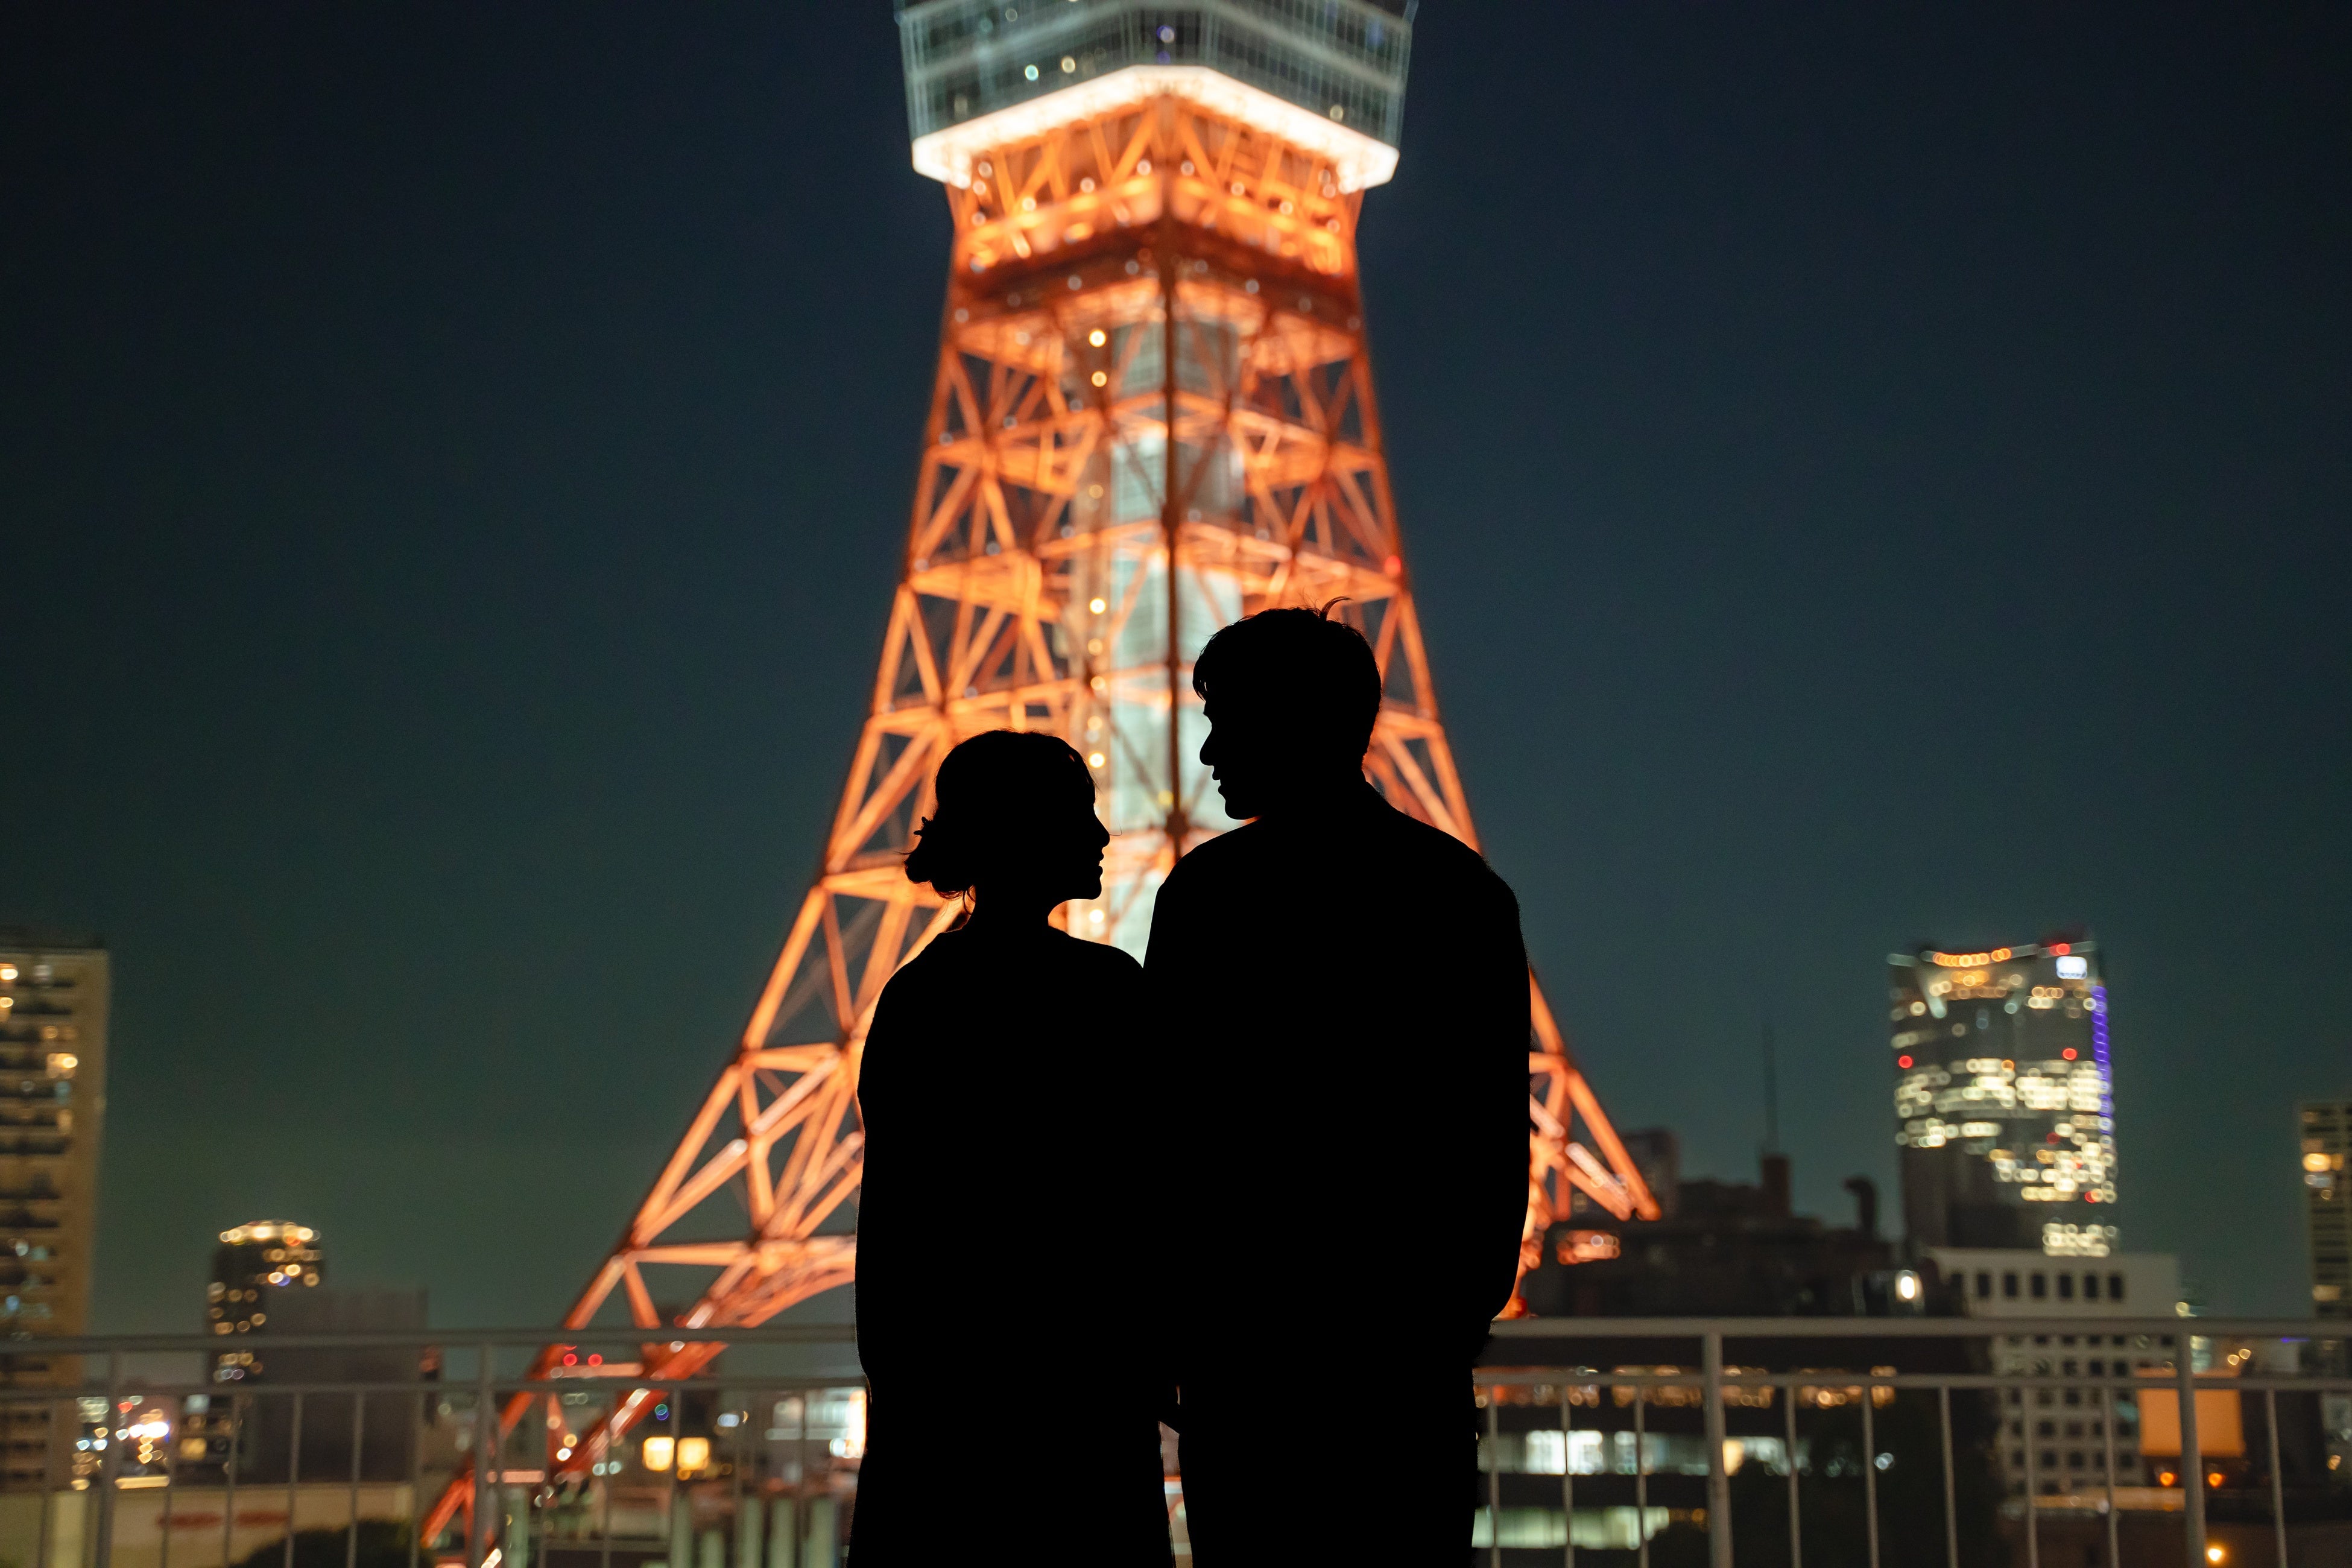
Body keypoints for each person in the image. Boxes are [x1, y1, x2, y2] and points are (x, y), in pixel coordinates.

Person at [1145, 605, 1531, 1564]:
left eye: (1226, 724)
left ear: (1293, 724)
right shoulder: (1461, 893)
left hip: (1247, 1361)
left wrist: (1173, 1325)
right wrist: (1451, 1320)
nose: (1208, 754)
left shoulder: (1208, 898)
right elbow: (1490, 1135)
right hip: (1404, 1367)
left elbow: (1165, 1128)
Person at [850, 730, 1172, 1566]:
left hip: (947, 1405)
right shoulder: (1108, 992)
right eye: (1079, 817)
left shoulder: (917, 998)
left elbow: (897, 1220)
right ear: (1025, 836)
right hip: (1086, 1395)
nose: (1103, 835)